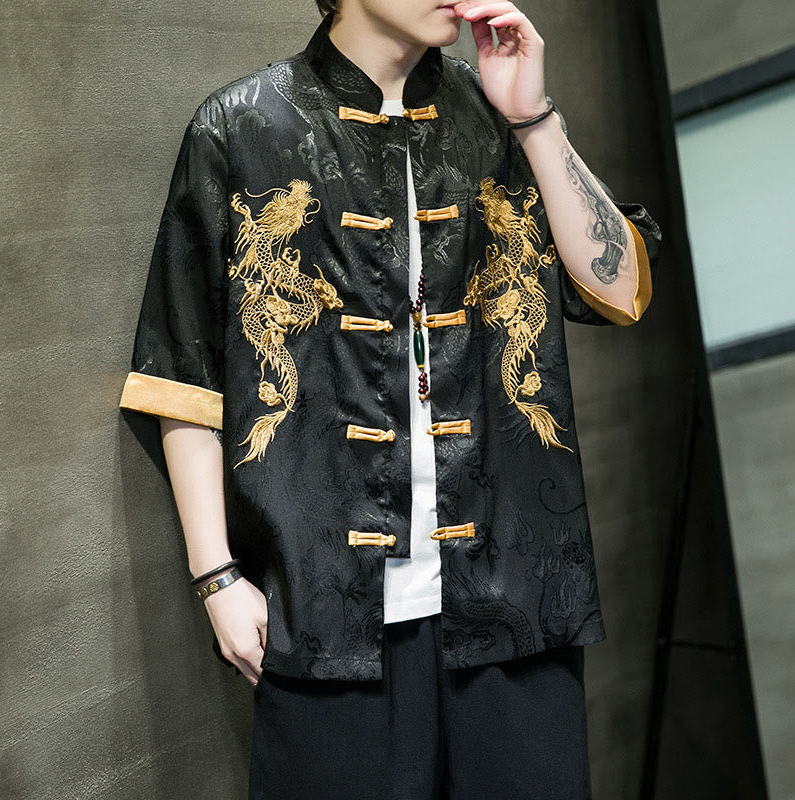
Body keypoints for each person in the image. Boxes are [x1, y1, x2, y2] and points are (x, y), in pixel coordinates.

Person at [119, 1, 662, 797]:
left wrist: (534, 119)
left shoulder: (497, 116)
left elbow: (619, 290)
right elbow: (182, 368)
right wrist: (217, 578)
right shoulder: (242, 127)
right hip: (325, 613)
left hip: (514, 603)